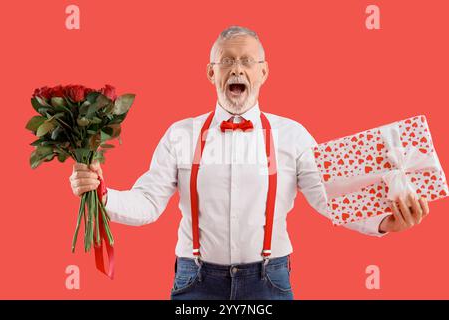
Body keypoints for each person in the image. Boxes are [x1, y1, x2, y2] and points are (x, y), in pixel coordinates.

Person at [69, 26, 430, 300]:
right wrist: (101, 194)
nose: (237, 69)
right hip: (194, 281)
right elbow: (148, 202)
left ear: (263, 73)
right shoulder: (180, 134)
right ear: (211, 73)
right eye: (227, 61)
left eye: (246, 61)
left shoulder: (294, 135)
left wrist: (383, 221)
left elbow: (328, 197)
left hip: (269, 281)